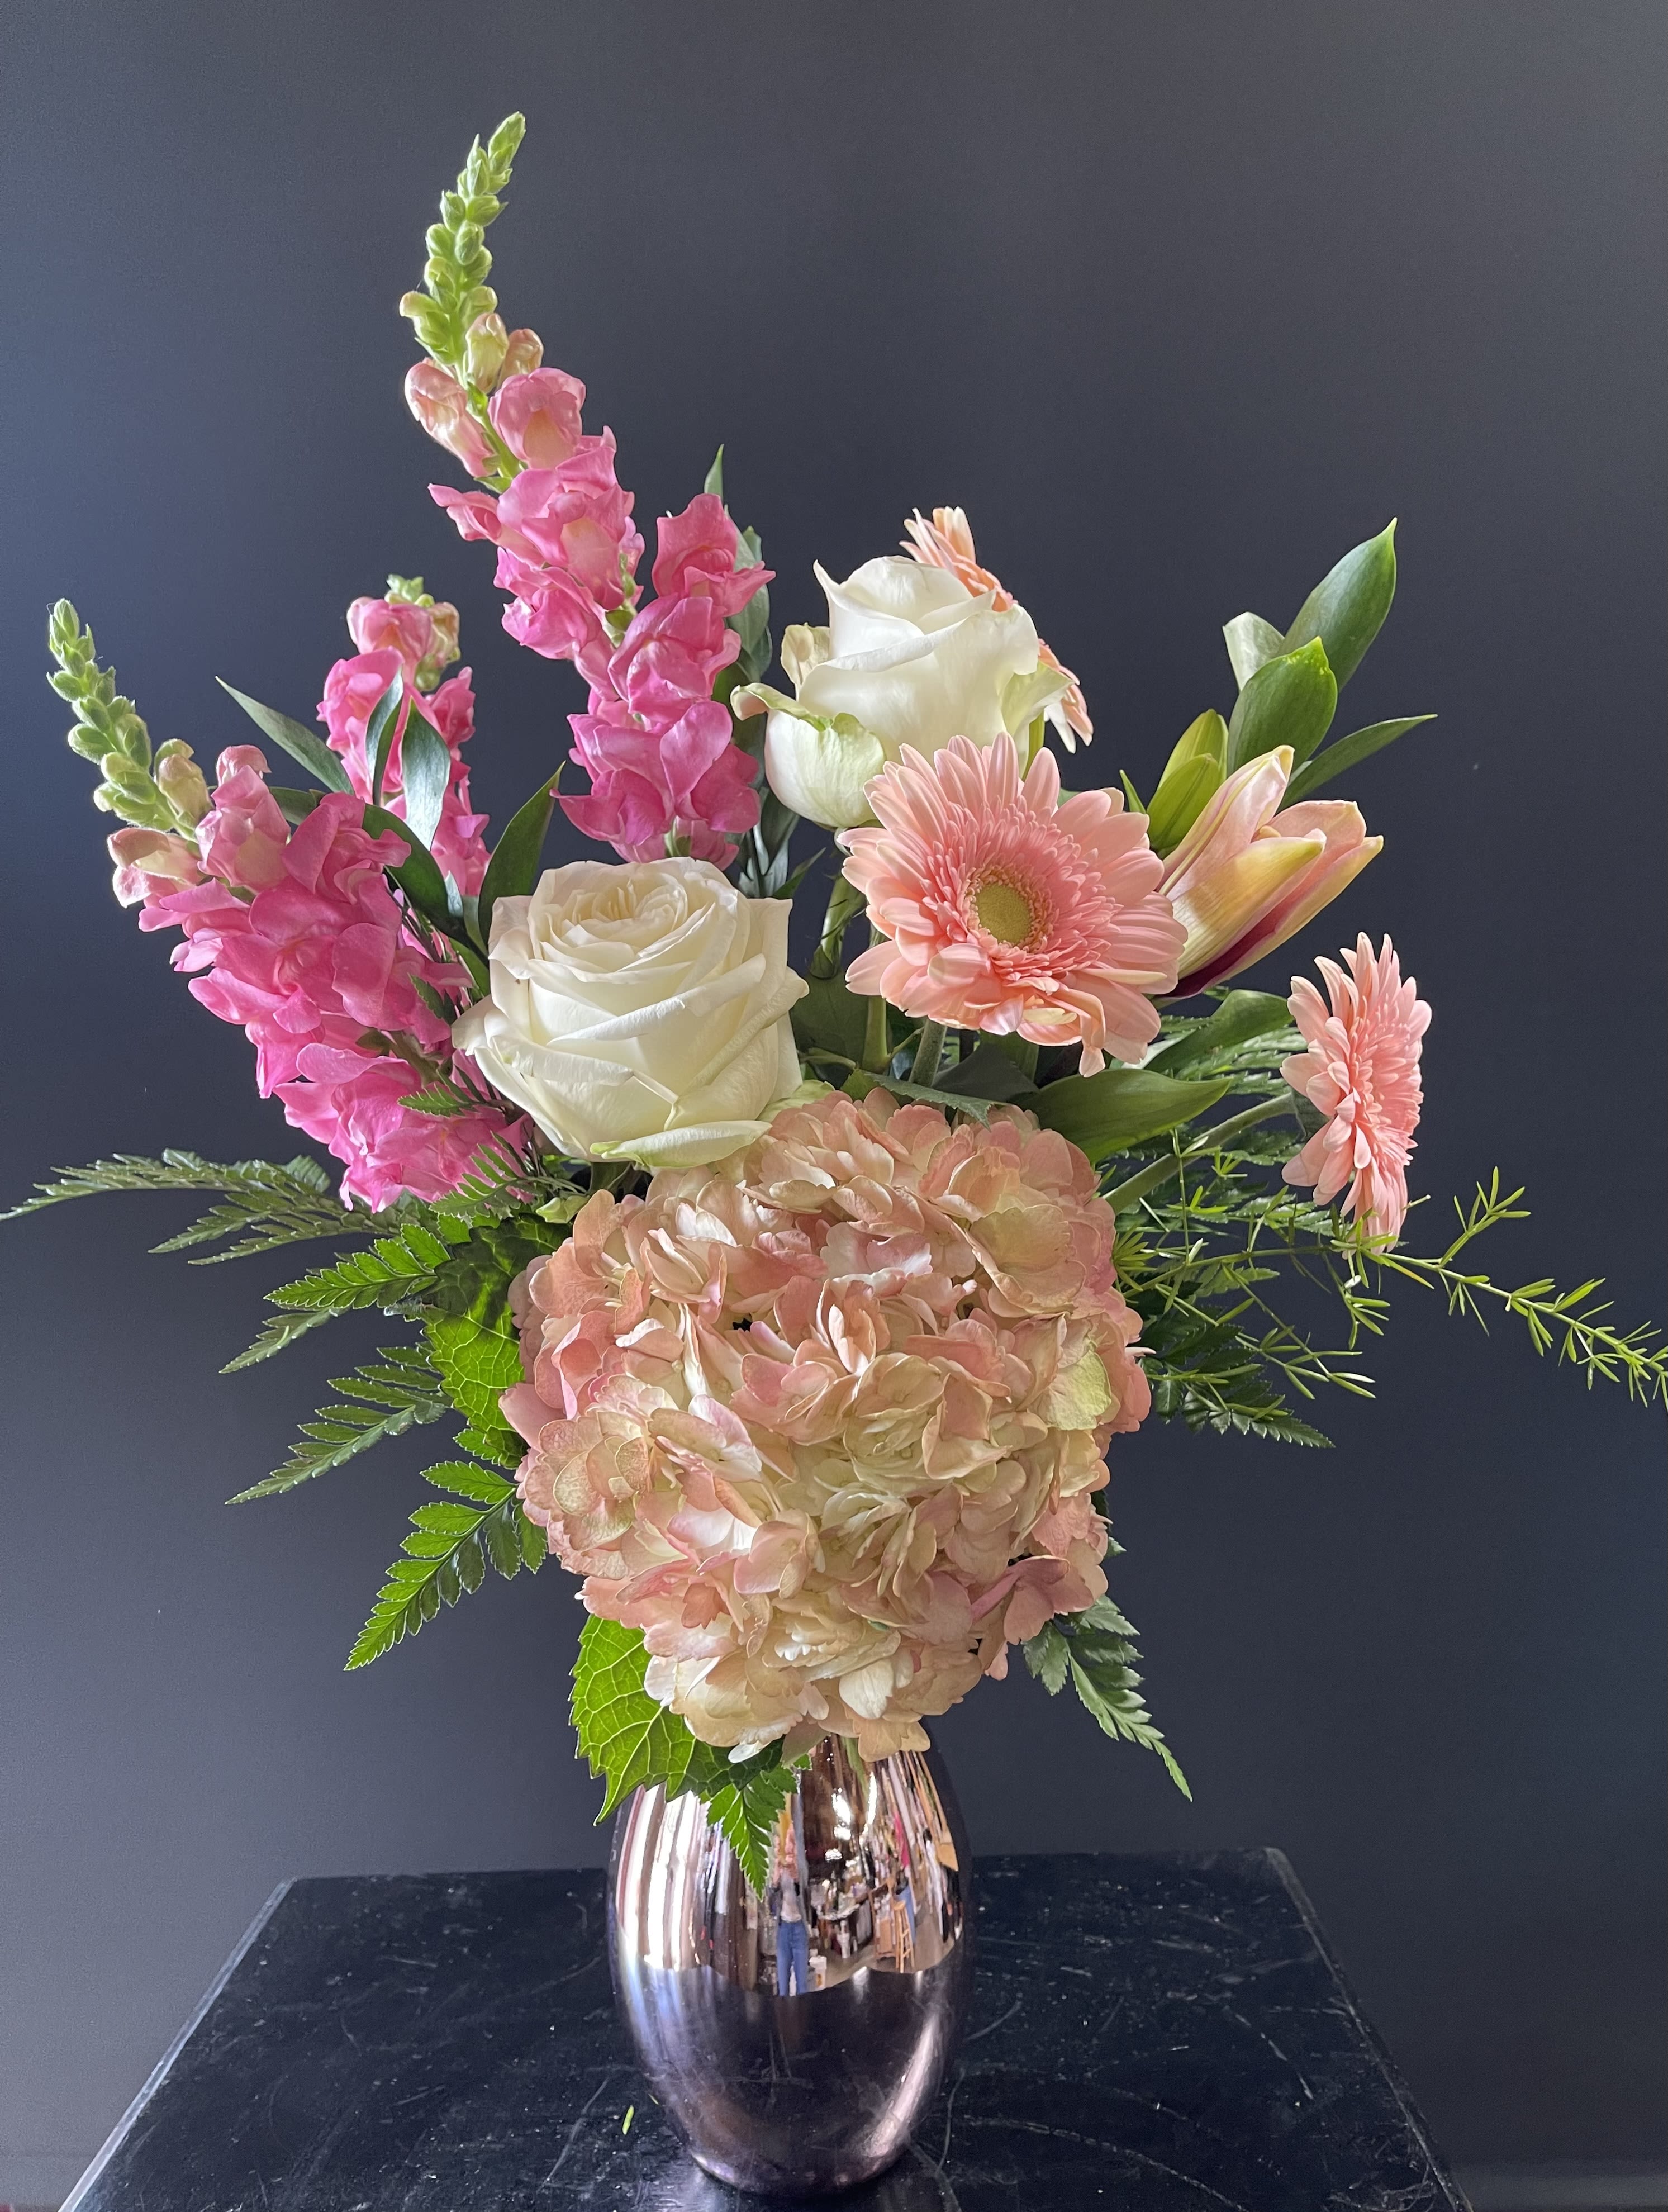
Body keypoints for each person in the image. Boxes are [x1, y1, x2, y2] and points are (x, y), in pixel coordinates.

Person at [766, 1836, 811, 1996]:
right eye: (788, 1841)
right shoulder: (777, 1867)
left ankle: (804, 2018)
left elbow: (809, 1901)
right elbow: (770, 1903)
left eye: (794, 1841)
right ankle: (784, 2019)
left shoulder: (802, 1867)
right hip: (783, 1929)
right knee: (783, 1986)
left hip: (800, 1928)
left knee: (803, 1985)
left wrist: (798, 1880)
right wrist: (775, 1882)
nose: (790, 1846)